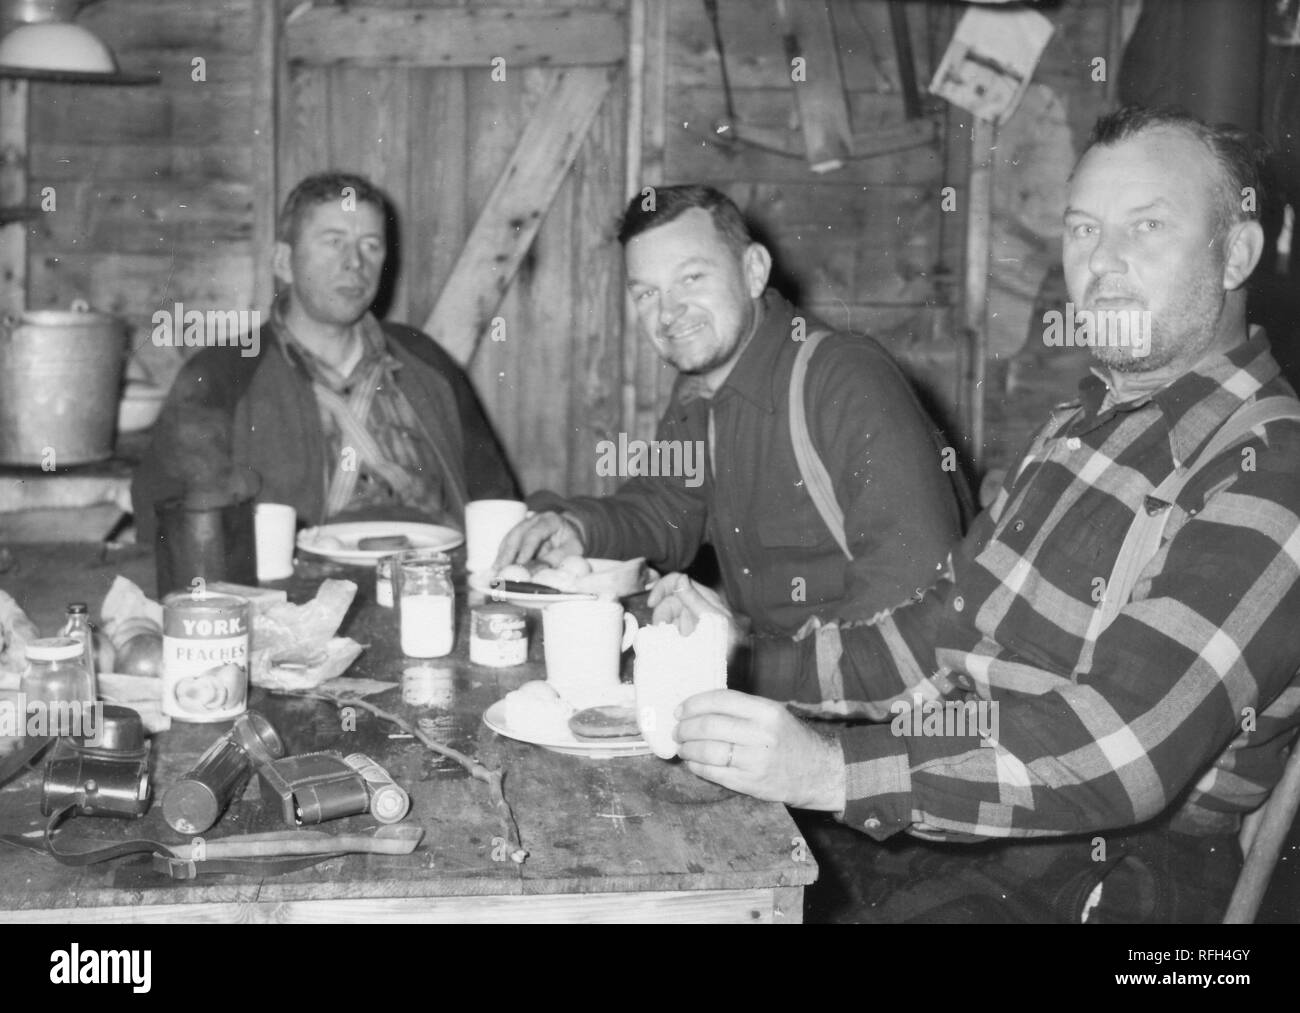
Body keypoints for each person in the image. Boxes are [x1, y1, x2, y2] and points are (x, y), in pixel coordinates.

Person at [654, 107, 1300, 923]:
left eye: (1147, 226)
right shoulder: (1078, 429)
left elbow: (1124, 751)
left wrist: (829, 769)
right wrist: (742, 661)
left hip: (1115, 872)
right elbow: (939, 635)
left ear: (1236, 252)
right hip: (968, 815)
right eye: (1084, 229)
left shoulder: (1269, 469)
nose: (1103, 261)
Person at [495, 185, 966, 696]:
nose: (668, 312)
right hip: (776, 691)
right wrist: (578, 527)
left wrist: (746, 666)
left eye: (691, 278)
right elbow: (665, 507)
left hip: (875, 711)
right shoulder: (700, 390)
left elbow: (922, 627)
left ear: (754, 271)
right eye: (647, 293)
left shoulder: (844, 381)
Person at [132, 172, 517, 543]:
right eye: (334, 242)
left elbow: (495, 501)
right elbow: (167, 528)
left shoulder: (426, 362)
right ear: (284, 262)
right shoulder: (220, 375)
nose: (355, 262)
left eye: (371, 245)